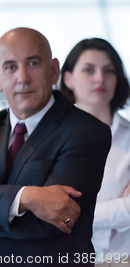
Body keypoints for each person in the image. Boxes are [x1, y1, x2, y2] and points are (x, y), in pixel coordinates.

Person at [0, 27, 112, 266]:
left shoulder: (87, 131)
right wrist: (28, 197)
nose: (22, 77)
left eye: (32, 63)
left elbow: (53, 222)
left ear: (53, 71)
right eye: (10, 67)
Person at [60, 38, 130, 267]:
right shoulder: (49, 139)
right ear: (68, 78)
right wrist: (118, 208)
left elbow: (62, 214)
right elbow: (44, 214)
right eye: (89, 70)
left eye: (109, 70)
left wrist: (73, 213)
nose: (100, 78)